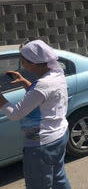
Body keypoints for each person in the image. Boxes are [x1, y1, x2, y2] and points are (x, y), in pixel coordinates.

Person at [0, 40, 71, 188]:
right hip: (60, 134)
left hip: (42, 144)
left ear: (31, 62)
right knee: (59, 178)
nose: (21, 62)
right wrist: (24, 82)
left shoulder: (42, 85)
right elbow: (43, 97)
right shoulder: (56, 72)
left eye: (23, 59)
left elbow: (15, 114)